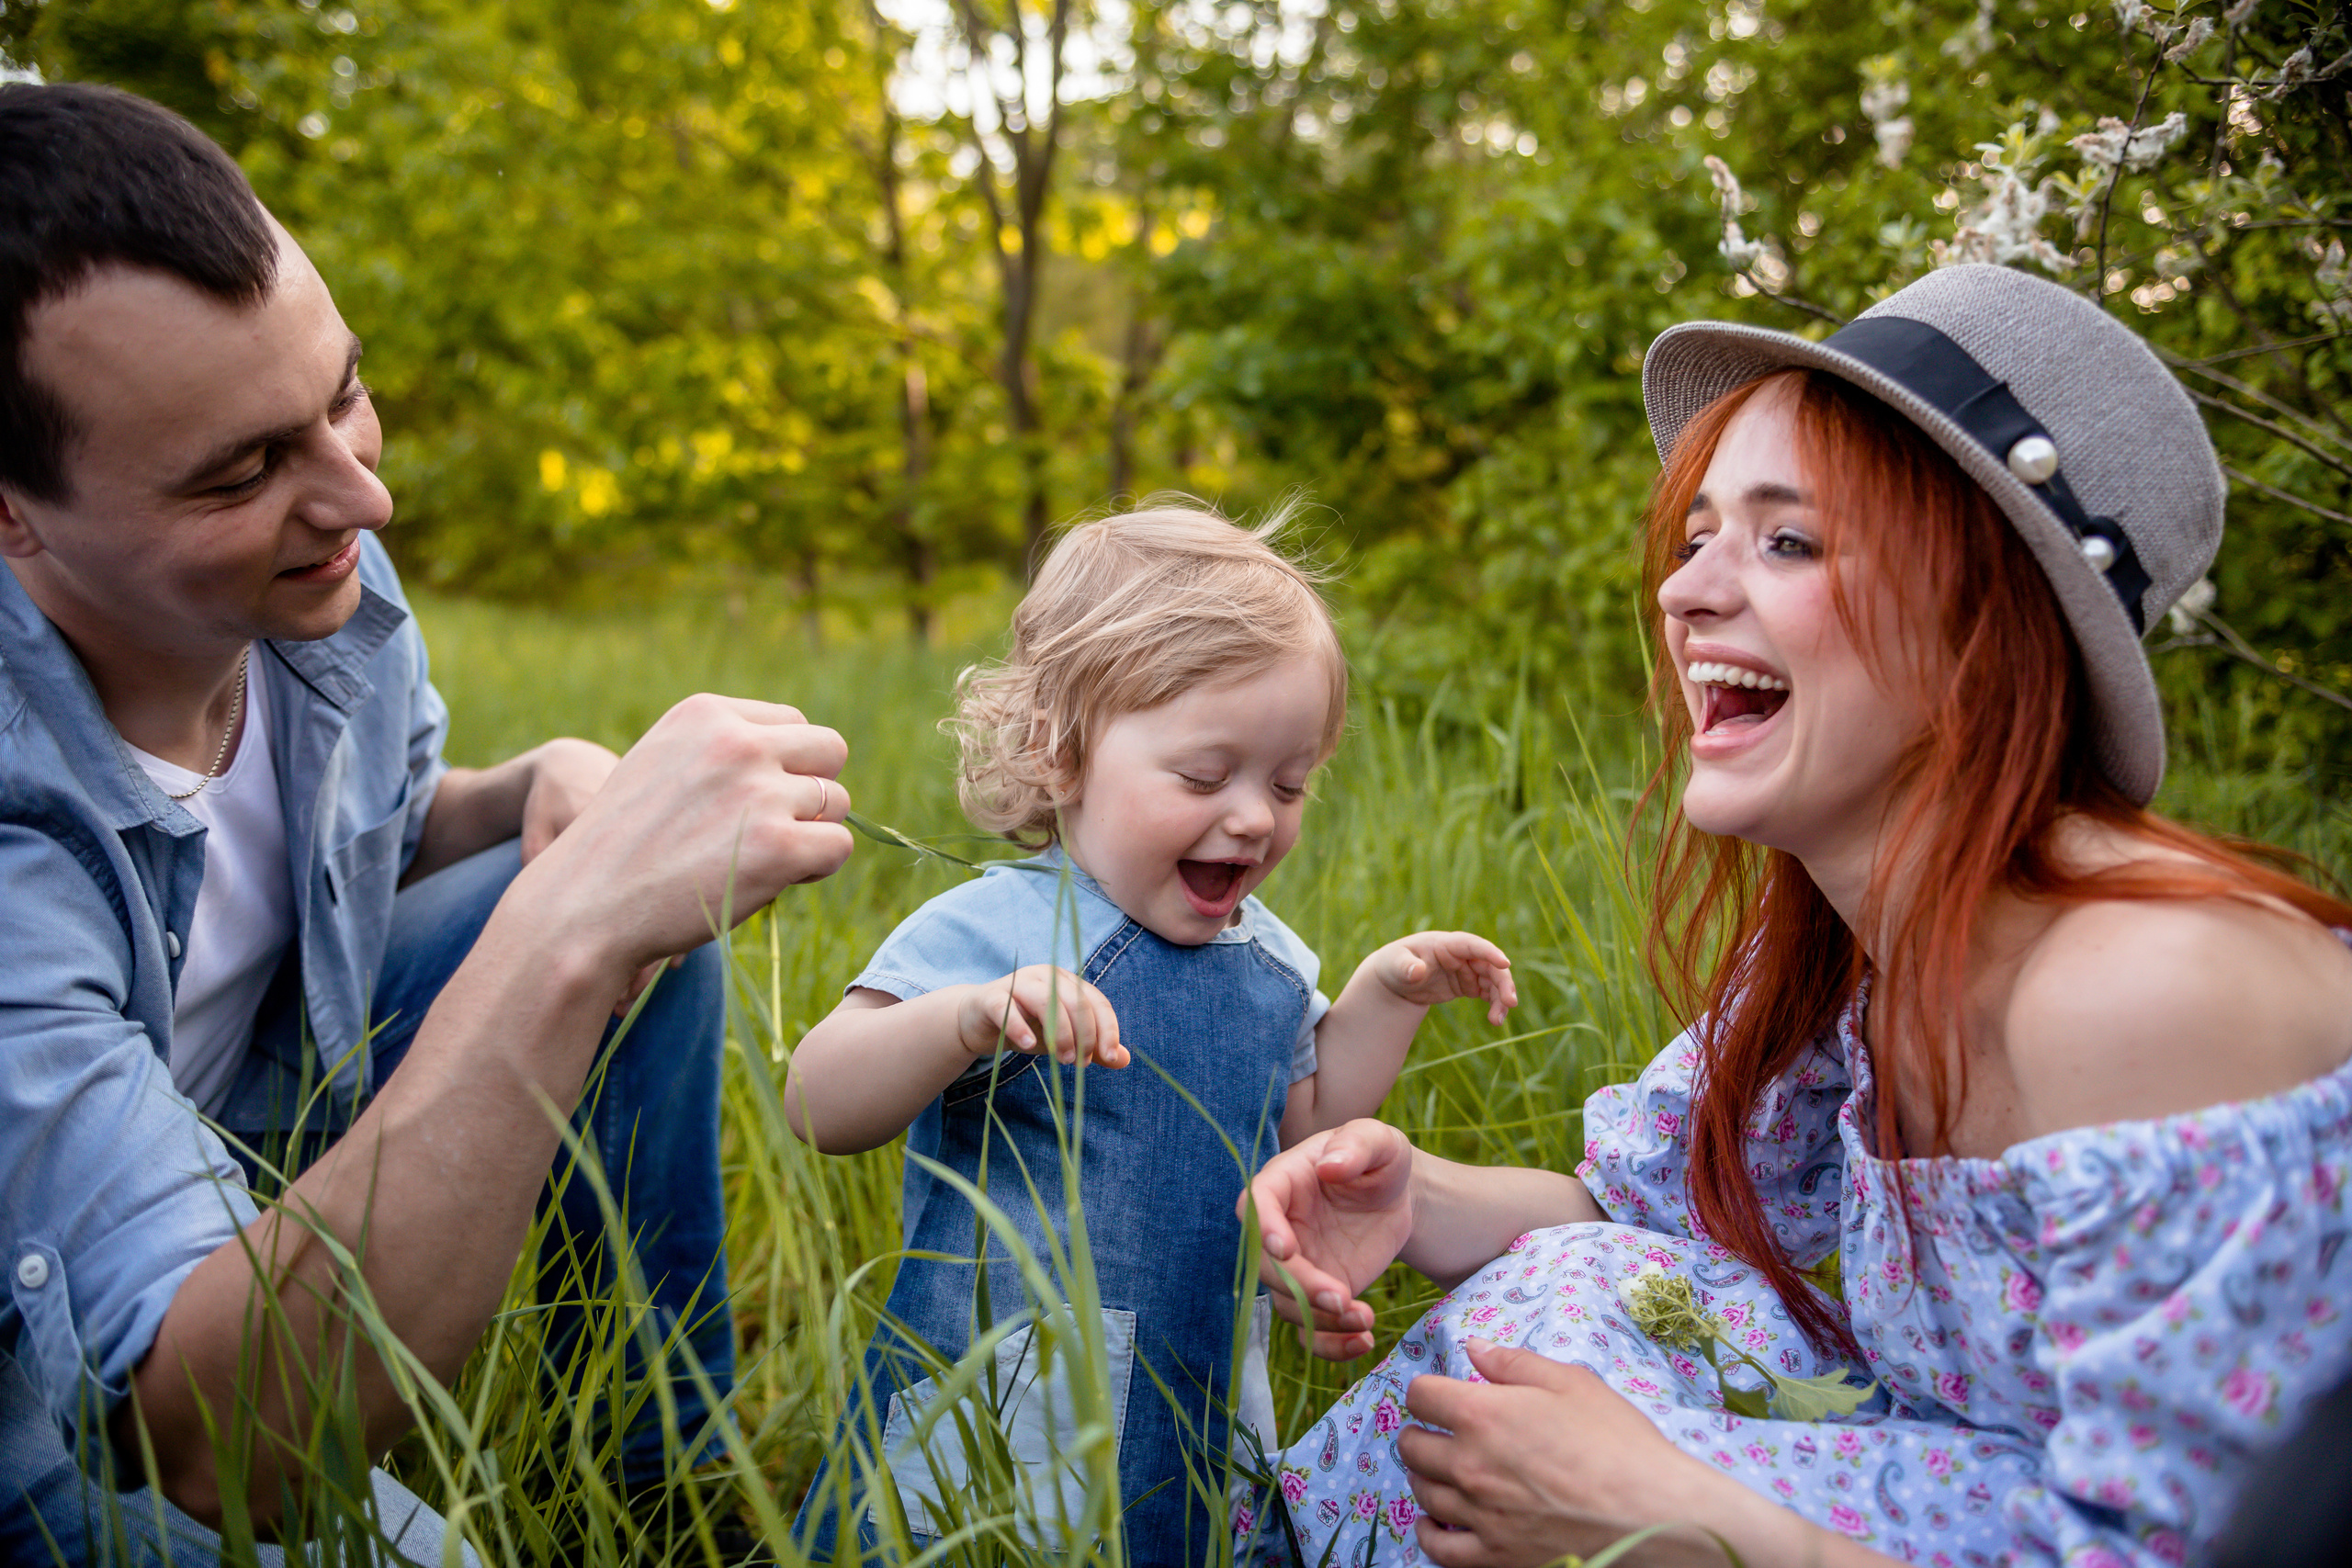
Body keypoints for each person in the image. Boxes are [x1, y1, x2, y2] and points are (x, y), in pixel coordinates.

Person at [1242, 265, 2352, 1566]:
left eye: (1786, 539)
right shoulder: (1864, 944)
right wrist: (1409, 1192)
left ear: (1982, 619)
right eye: (1699, 532)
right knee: (1559, 1307)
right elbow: (1641, 1213)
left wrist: (1678, 1521)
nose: (1685, 591)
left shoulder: (2148, 987)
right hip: (1979, 1486)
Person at [0, 82, 856, 1562]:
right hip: (75, 1361)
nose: (363, 492)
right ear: (17, 516)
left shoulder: (307, 585)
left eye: (339, 394)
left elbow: (378, 844)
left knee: (615, 918)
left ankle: (662, 1494)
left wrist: (542, 801)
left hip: (257, 1106)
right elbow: (227, 1443)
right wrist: (568, 931)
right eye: (243, 469)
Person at [780, 502, 1519, 1563]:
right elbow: (820, 1100)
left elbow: (1307, 1123)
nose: (1256, 817)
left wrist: (1384, 997)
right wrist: (966, 1022)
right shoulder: (1000, 929)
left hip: (1200, 1392)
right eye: (1206, 777)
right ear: (1061, 752)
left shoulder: (1267, 963)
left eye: (1287, 783)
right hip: (1002, 1401)